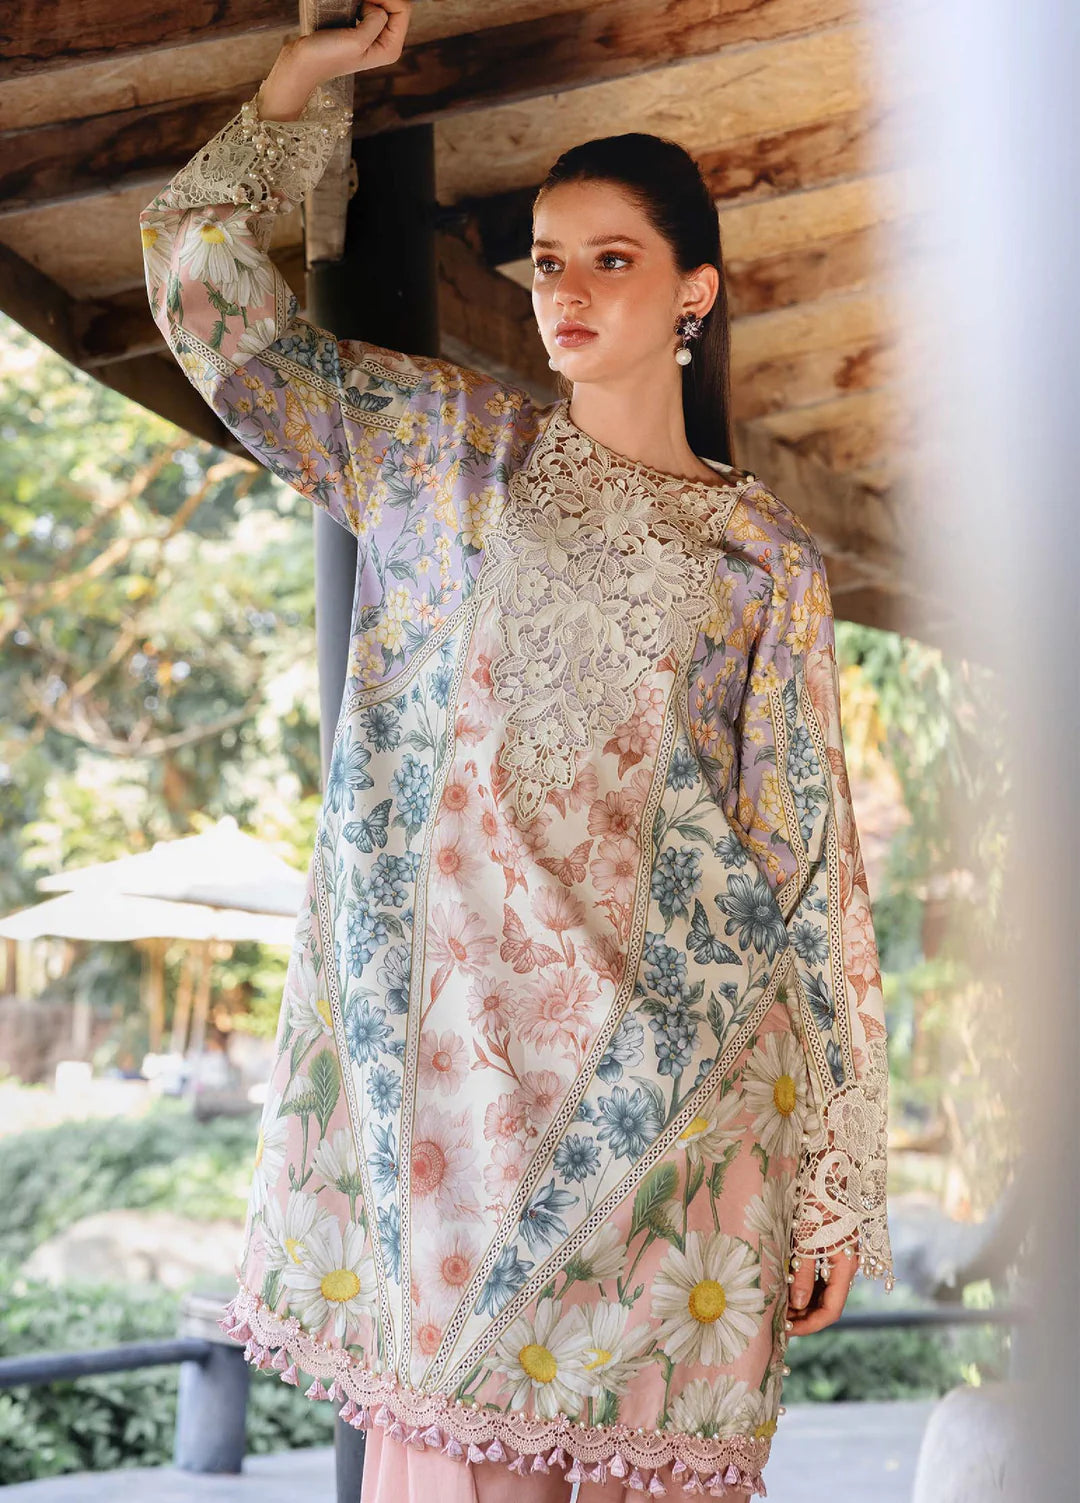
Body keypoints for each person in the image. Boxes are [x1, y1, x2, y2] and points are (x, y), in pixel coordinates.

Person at [139, 4, 895, 1498]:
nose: (567, 292)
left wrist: (834, 1183)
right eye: (547, 262)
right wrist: (297, 91)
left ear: (694, 292)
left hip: (672, 1124)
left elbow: (811, 875)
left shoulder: (762, 565)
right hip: (457, 1127)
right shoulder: (442, 455)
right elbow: (214, 312)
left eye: (611, 259)